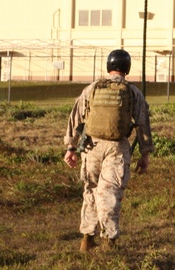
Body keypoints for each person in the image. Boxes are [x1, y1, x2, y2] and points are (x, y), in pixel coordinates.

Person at [63, 49, 154, 253]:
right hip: (116, 148)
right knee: (110, 192)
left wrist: (71, 148)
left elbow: (76, 117)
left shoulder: (92, 88)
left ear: (109, 67)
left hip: (90, 147)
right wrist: (145, 154)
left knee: (91, 190)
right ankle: (109, 241)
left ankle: (87, 239)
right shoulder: (132, 92)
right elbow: (142, 124)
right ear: (127, 69)